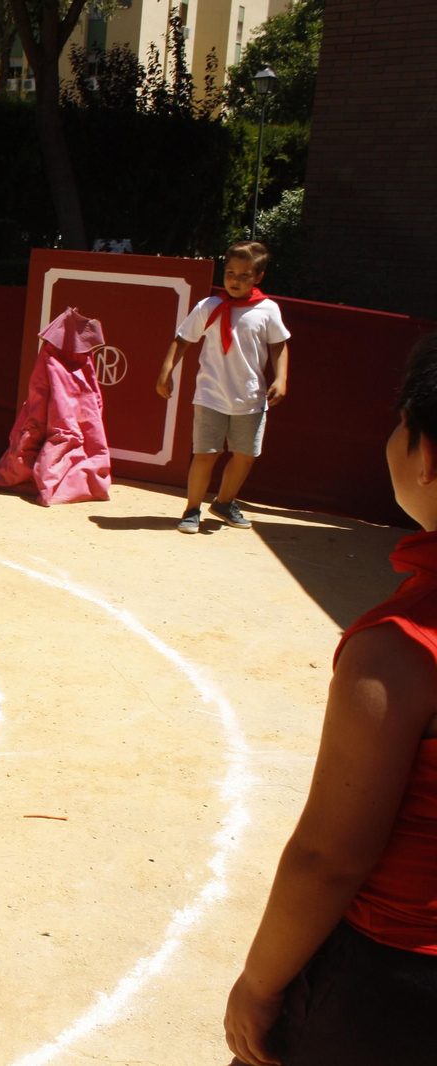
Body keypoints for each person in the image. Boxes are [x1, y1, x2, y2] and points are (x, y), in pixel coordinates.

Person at [224, 332, 437, 1066]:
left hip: (397, 974)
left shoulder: (402, 647)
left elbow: (330, 856)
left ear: (427, 456)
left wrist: (259, 981)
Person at [155, 240, 291, 534]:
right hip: (210, 395)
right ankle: (192, 509)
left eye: (244, 275)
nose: (236, 280)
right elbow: (182, 340)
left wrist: (281, 378)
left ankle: (224, 502)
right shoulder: (209, 306)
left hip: (251, 398)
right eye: (230, 273)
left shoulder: (268, 310)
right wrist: (166, 372)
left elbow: (279, 346)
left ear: (258, 277)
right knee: (206, 454)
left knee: (246, 455)